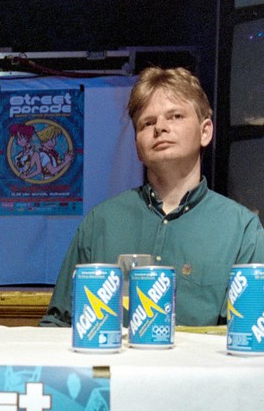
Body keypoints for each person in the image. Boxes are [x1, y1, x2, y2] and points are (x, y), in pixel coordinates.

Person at [40, 67, 264, 328]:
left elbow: (251, 336)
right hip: (113, 368)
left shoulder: (242, 230)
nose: (160, 127)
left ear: (205, 132)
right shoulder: (100, 223)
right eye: (147, 123)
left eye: (175, 116)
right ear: (137, 145)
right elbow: (58, 324)